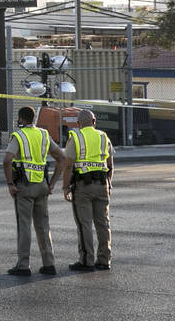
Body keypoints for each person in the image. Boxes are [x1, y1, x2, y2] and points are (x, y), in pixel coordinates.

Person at [3, 105, 65, 276]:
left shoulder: (19, 136)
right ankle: (49, 263)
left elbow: (7, 160)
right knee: (43, 226)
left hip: (24, 186)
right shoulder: (44, 135)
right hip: (42, 186)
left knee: (24, 226)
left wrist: (10, 183)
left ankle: (23, 265)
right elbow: (61, 157)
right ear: (34, 119)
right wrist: (52, 183)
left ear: (21, 119)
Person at [62, 108, 115, 271]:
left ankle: (87, 260)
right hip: (102, 185)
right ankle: (104, 260)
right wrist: (109, 184)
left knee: (84, 223)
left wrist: (65, 187)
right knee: (103, 223)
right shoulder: (103, 137)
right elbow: (110, 165)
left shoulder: (75, 137)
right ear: (94, 122)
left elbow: (69, 165)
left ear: (78, 124)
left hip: (83, 187)